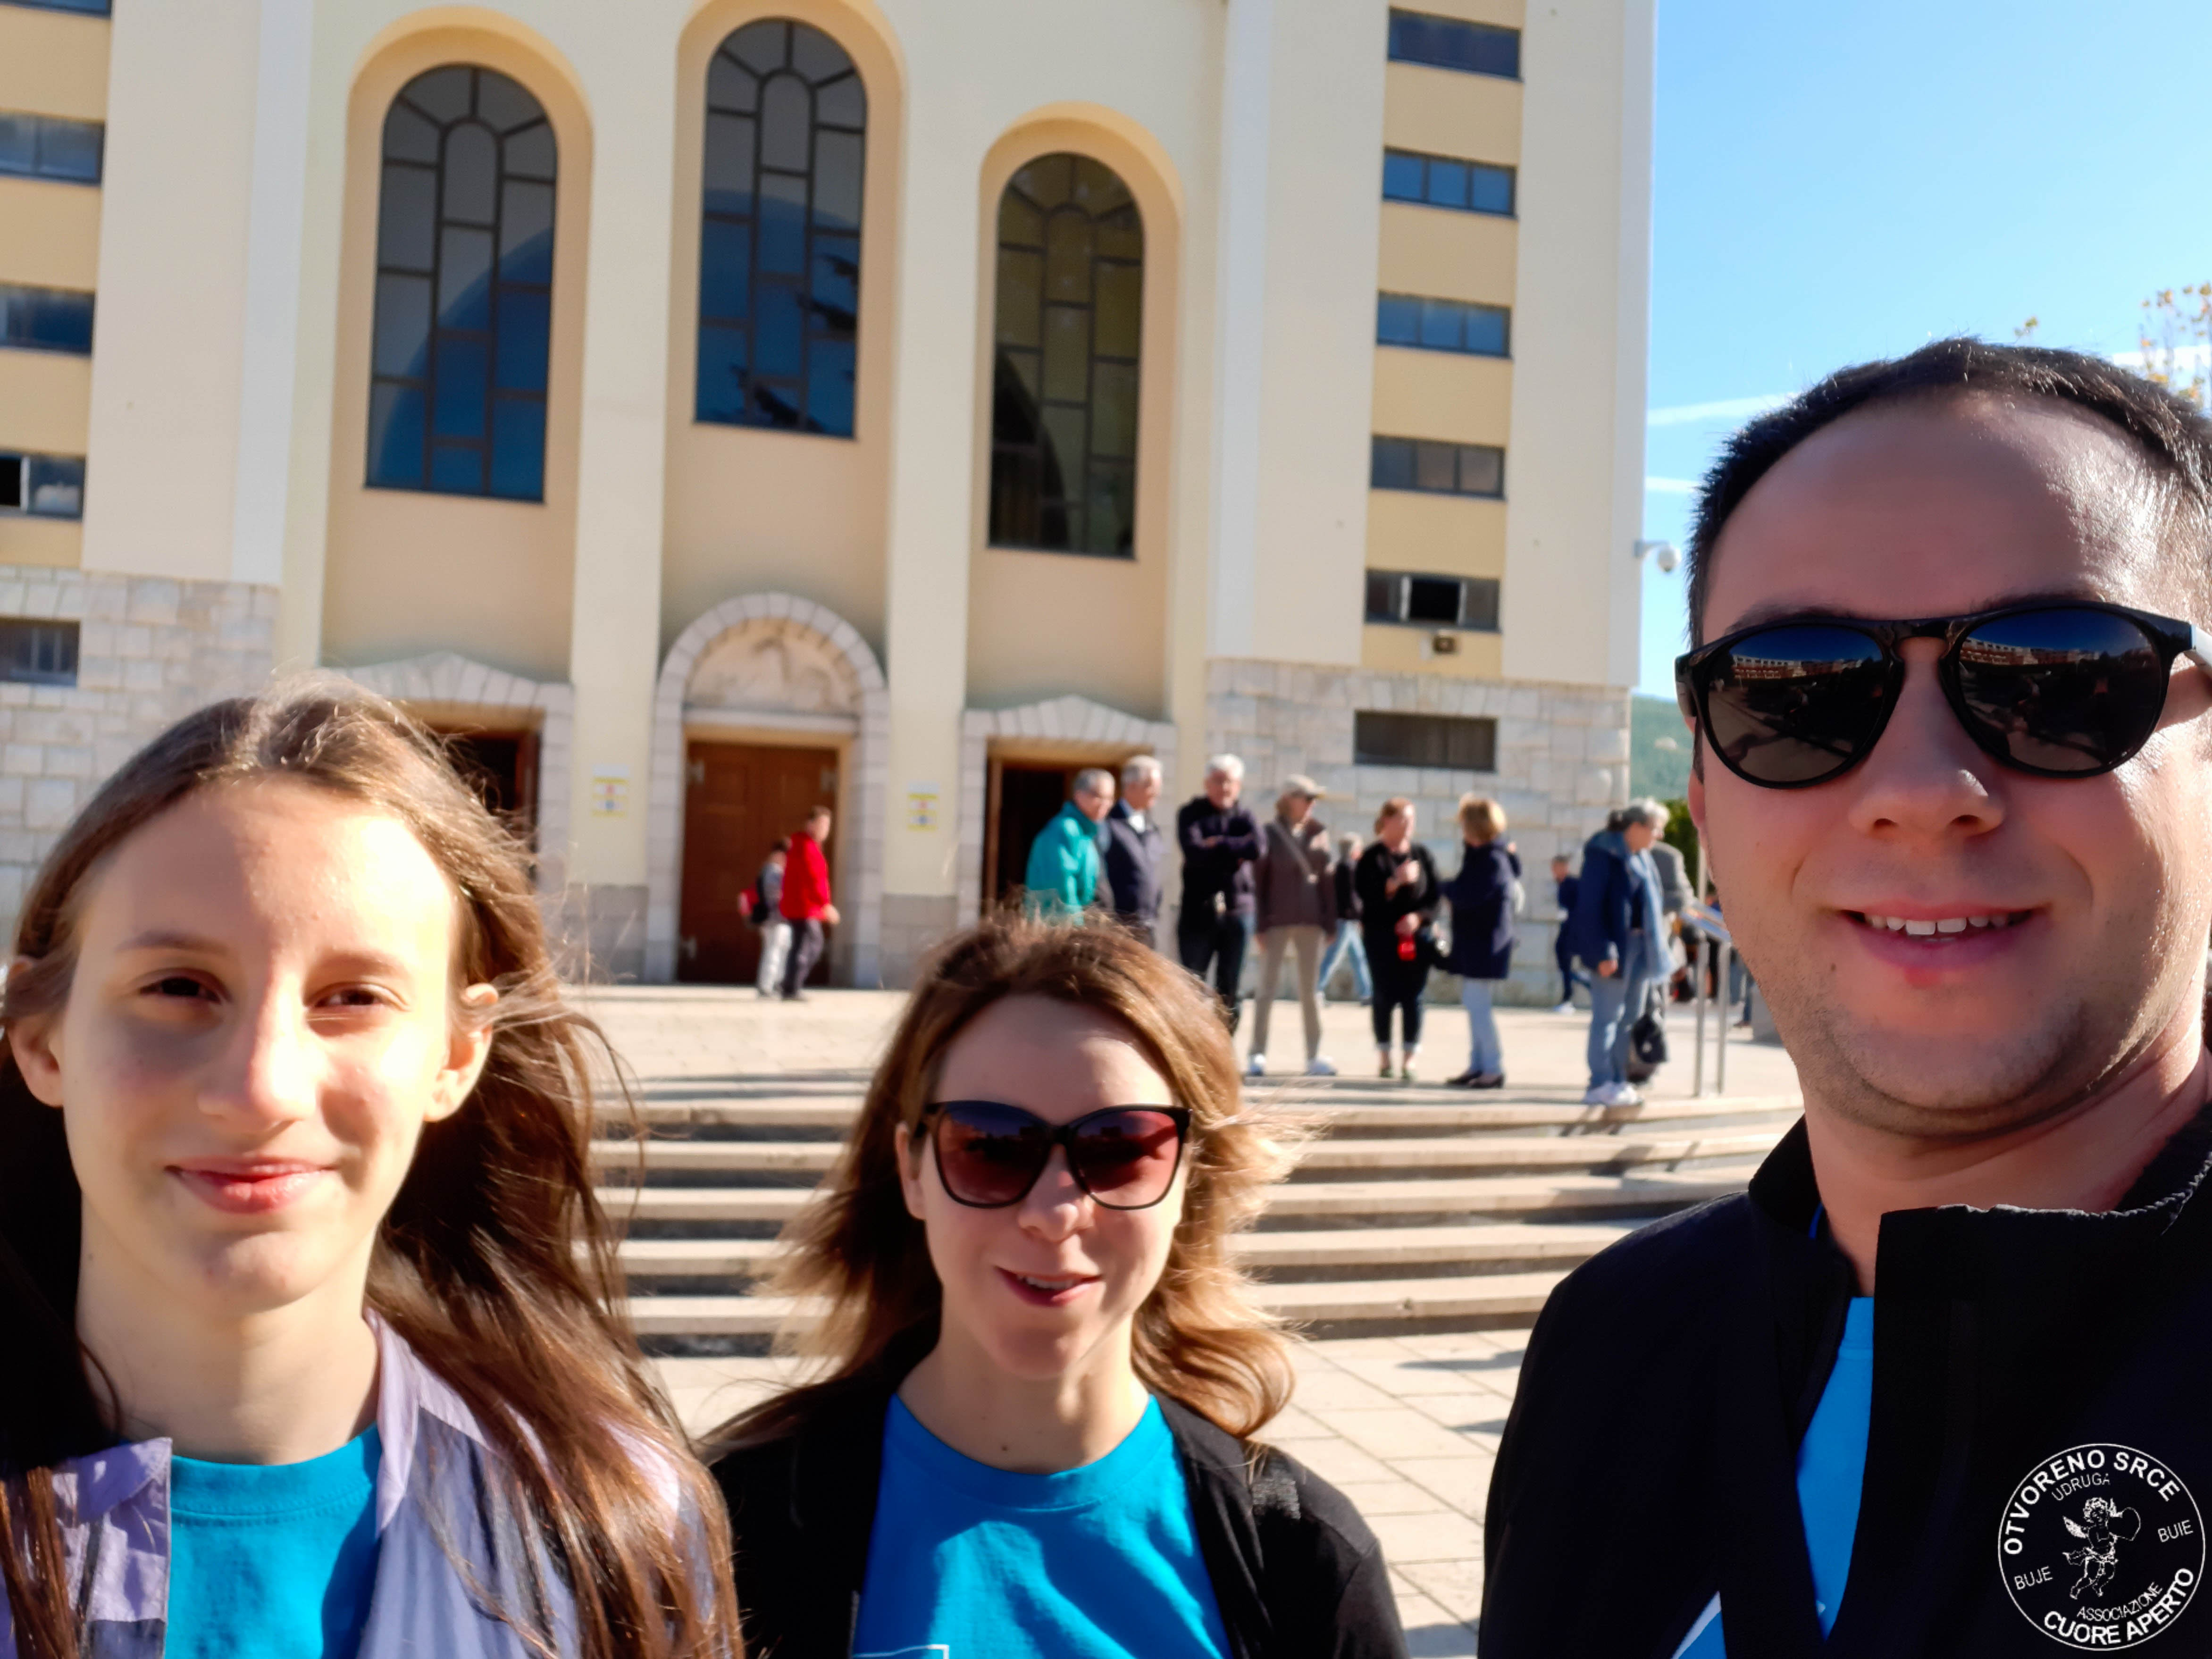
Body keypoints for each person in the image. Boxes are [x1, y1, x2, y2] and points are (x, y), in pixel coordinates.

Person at [1483, 339, 2212, 1656]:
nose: (1921, 788)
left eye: (2059, 679)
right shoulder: (1613, 1347)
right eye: (1797, 694)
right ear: (1703, 794)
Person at [0, 684, 736, 1658]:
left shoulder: (614, 1540)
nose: (262, 1089)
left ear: (456, 1056)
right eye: (179, 987)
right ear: (41, 1038)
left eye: (351, 998)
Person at [709, 918, 1408, 1659]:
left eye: (1120, 1149)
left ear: (1189, 1181)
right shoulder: (732, 1538)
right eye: (990, 1147)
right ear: (912, 1170)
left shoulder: (1302, 1560)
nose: (1053, 1212)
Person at [1562, 802, 1667, 1109]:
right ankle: (1600, 1083)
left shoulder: (1641, 857)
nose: (1659, 836)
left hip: (1641, 948)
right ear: (1636, 828)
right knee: (1607, 1018)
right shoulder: (1603, 854)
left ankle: (1619, 1081)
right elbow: (1590, 908)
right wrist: (1604, 952)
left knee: (1630, 1018)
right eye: (1655, 829)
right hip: (1614, 949)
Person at [1248, 775, 1338, 1079]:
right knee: (1267, 989)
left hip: (1311, 921)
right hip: (1277, 920)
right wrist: (1260, 923)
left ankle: (1314, 1055)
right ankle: (1257, 1053)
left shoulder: (1319, 833)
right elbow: (1259, 881)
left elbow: (1327, 881)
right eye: (1307, 798)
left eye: (1314, 799)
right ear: (1289, 800)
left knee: (1310, 991)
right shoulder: (1270, 834)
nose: (1312, 805)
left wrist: (1330, 922)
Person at [1354, 799, 1438, 1082]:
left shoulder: (1422, 855)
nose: (1408, 825)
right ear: (1387, 821)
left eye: (1411, 819)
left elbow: (1435, 897)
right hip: (1381, 937)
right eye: (1402, 819)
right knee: (1384, 995)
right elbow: (1364, 897)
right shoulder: (1372, 857)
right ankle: (1385, 1057)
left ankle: (1410, 1058)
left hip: (1415, 938)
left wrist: (1418, 918)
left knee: (1414, 996)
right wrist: (1394, 883)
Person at [1176, 755, 1261, 1030]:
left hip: (1238, 912)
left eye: (1230, 782)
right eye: (1218, 781)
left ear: (1239, 786)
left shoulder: (1245, 816)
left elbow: (1258, 848)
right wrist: (1235, 851)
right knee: (1192, 984)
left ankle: (1225, 1044)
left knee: (1231, 988)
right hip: (1199, 911)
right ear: (1207, 784)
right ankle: (1192, 1043)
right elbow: (1194, 852)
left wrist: (1217, 843)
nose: (1224, 788)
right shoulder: (1191, 813)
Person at [1441, 796, 1519, 1089]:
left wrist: (1442, 887)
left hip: (1485, 944)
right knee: (1474, 1004)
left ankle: (1493, 1068)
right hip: (1478, 942)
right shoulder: (1485, 856)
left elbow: (1469, 894)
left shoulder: (1492, 860)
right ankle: (1478, 1065)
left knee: (1479, 1006)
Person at [1025, 768, 1115, 921]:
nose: (1105, 804)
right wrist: (1076, 929)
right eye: (1098, 796)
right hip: (1057, 928)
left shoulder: (1086, 832)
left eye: (1109, 798)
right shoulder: (1065, 830)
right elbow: (1061, 891)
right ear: (1079, 795)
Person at [1103, 755, 1168, 946]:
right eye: (1151, 786)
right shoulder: (1109, 824)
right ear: (1132, 786)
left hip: (1148, 925)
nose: (1157, 792)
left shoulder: (1152, 828)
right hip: (1119, 929)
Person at [780, 804, 839, 999]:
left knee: (802, 945)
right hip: (804, 908)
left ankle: (790, 985)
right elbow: (814, 878)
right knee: (812, 944)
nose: (825, 829)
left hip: (802, 907)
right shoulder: (806, 847)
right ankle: (791, 986)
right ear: (810, 825)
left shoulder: (807, 845)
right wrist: (826, 905)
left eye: (828, 825)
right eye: (821, 824)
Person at [1319, 831, 1373, 1005]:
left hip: (1347, 920)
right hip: (1346, 920)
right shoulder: (1348, 868)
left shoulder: (1341, 867)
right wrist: (1360, 917)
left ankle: (1366, 993)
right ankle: (1316, 990)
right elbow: (1351, 898)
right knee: (1334, 957)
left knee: (1359, 957)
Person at [1549, 854, 1586, 1013]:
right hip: (1566, 928)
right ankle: (1572, 988)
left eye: (1557, 867)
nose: (1554, 871)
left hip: (1574, 930)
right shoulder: (1562, 884)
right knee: (1562, 958)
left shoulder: (1573, 884)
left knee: (1565, 956)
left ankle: (1571, 993)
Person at [754, 837, 790, 998]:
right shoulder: (773, 871)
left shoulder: (772, 871)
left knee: (780, 952)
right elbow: (775, 896)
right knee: (773, 953)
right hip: (774, 919)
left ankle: (775, 984)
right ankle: (767, 985)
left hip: (779, 919)